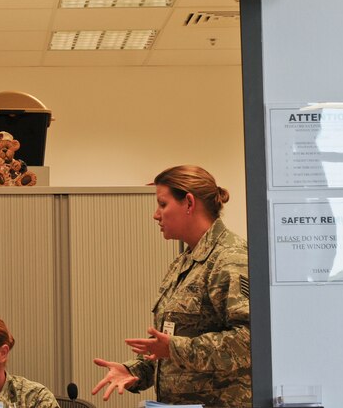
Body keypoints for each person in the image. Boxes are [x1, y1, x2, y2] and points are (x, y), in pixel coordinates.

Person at [91, 165, 251, 407]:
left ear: (188, 203)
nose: (156, 215)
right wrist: (134, 371)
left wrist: (174, 347)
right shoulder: (184, 261)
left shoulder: (230, 258)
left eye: (163, 204)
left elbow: (248, 342)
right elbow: (169, 349)